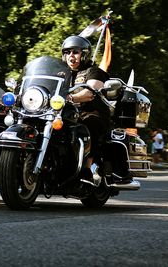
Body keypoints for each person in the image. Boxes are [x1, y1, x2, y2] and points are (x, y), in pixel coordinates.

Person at [61, 35, 110, 184]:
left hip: (90, 112)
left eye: (75, 52)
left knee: (89, 124)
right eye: (67, 52)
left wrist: (70, 98)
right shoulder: (61, 74)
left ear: (84, 54)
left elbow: (89, 93)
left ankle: (87, 169)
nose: (71, 56)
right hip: (65, 113)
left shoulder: (94, 71)